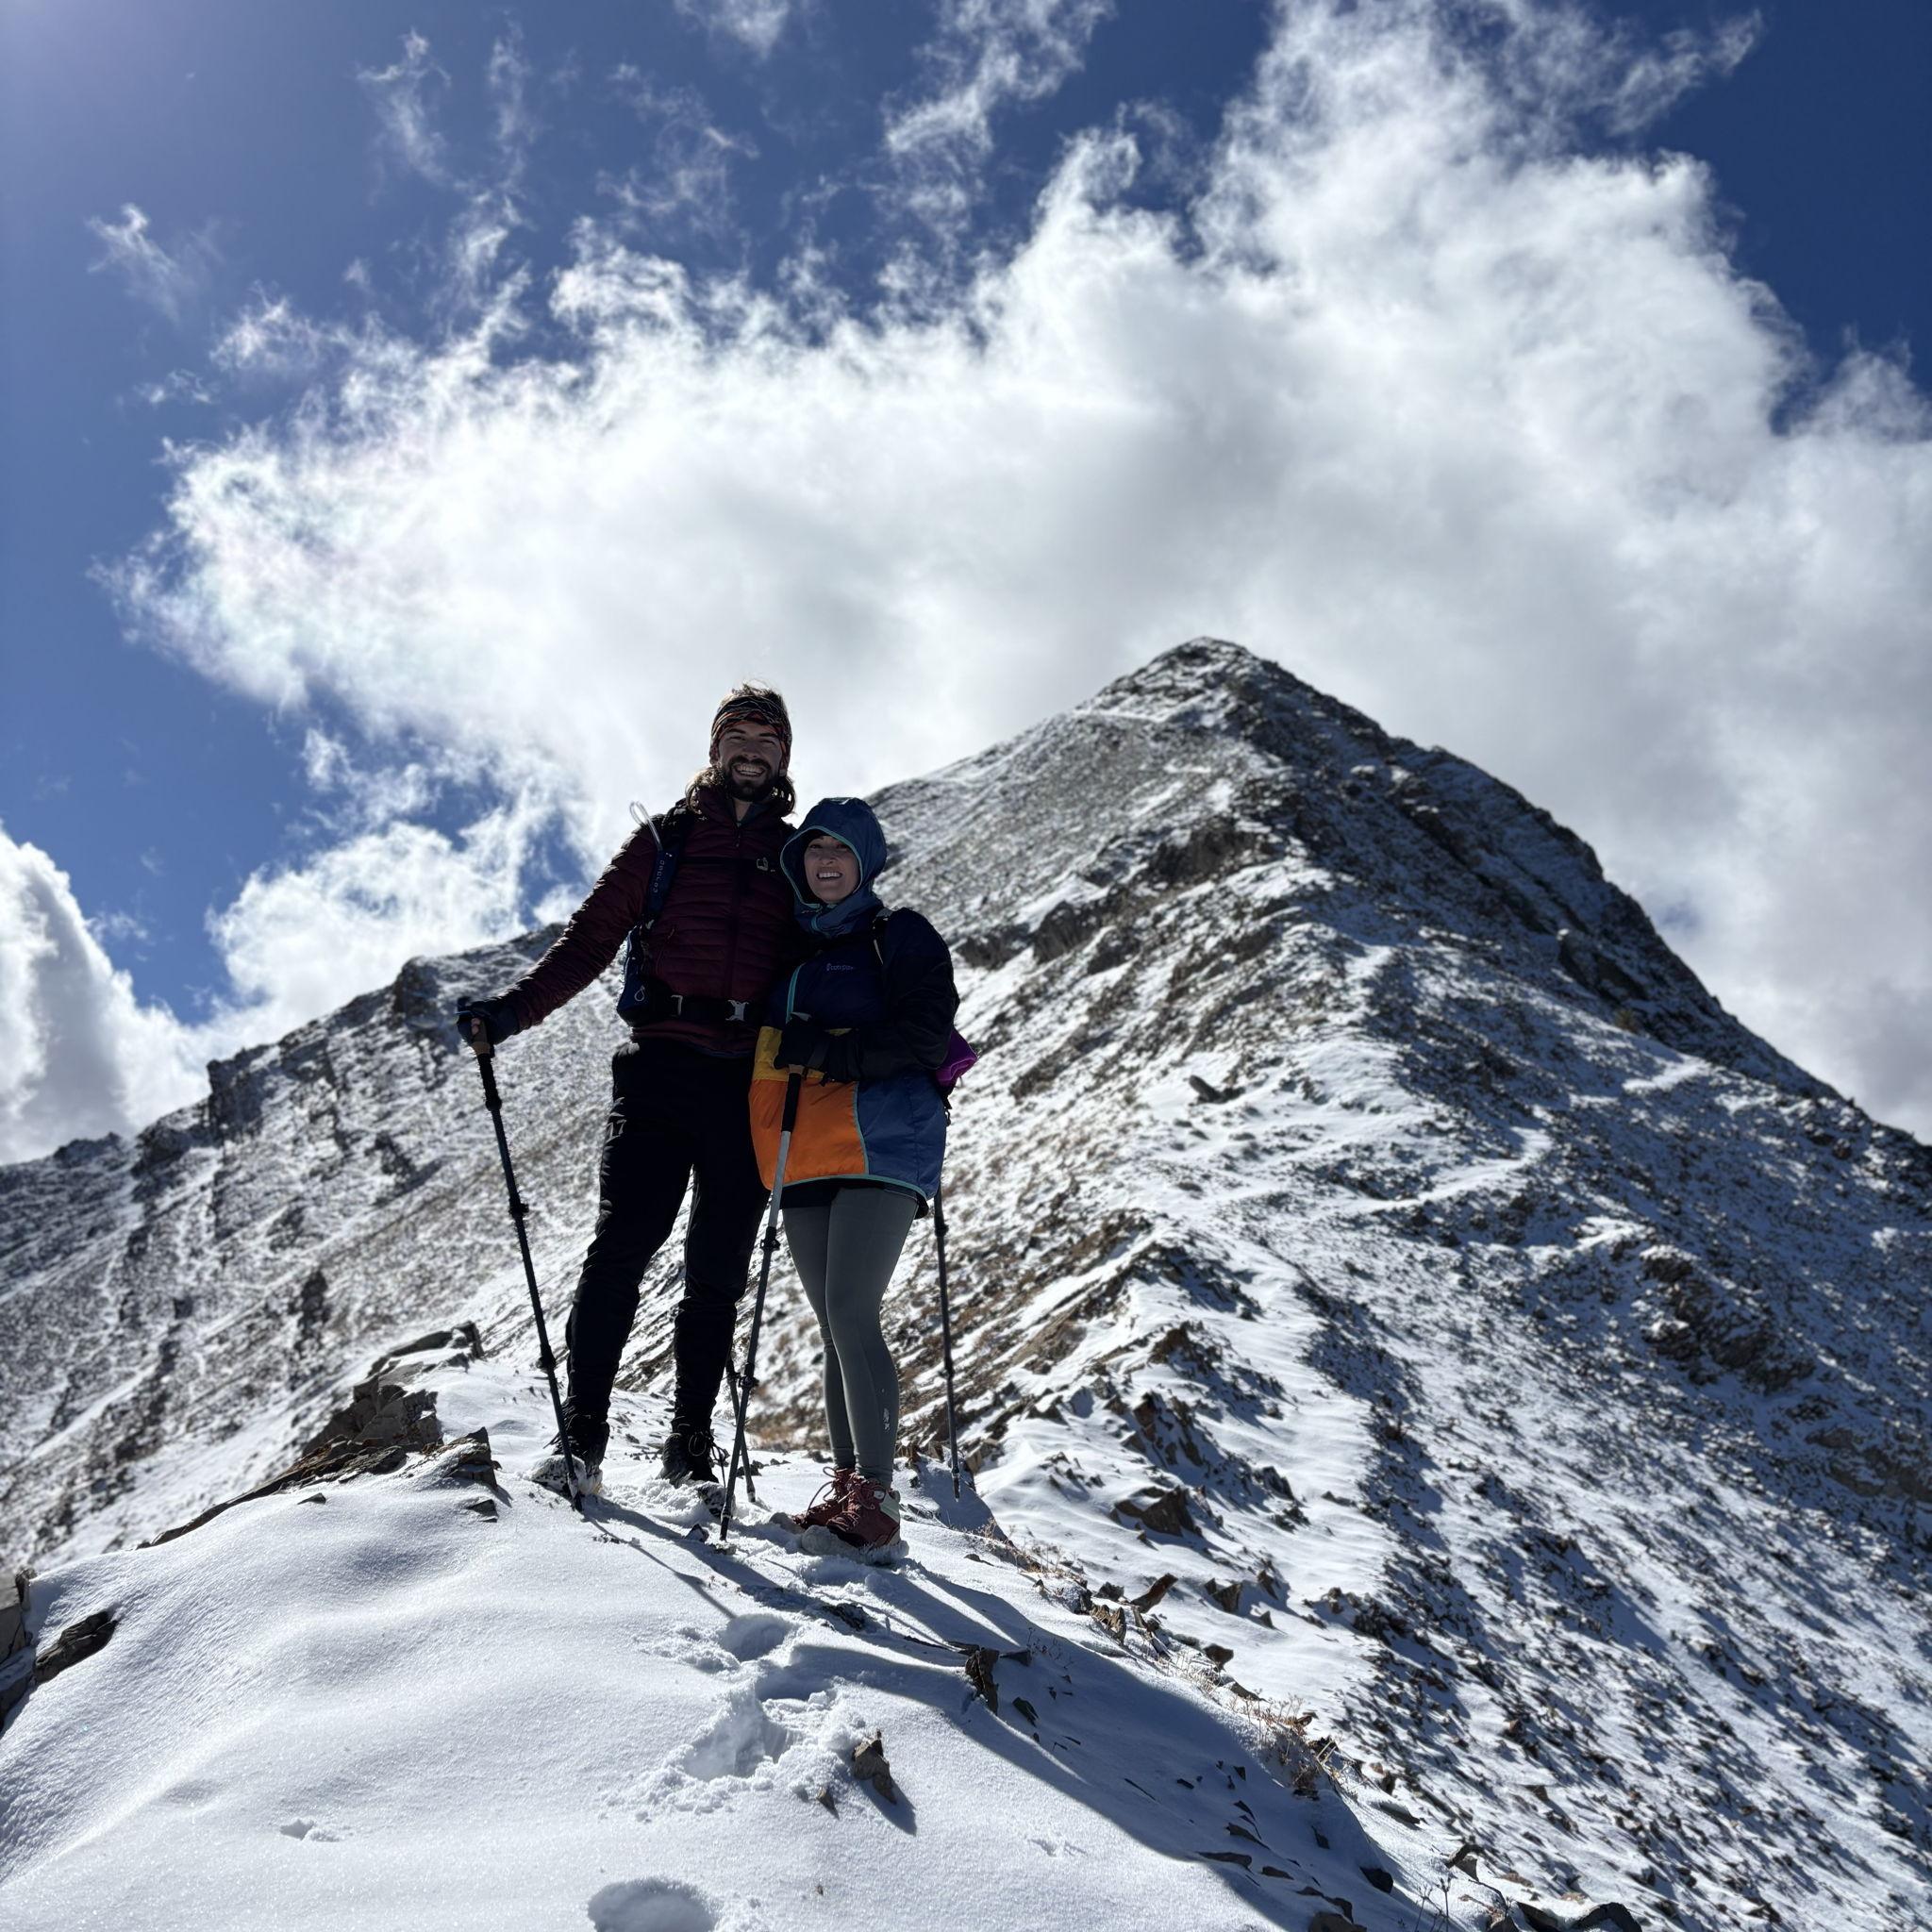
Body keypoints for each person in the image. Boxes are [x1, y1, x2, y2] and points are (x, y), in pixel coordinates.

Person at [455, 686, 801, 1496]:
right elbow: (588, 940)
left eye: (767, 739)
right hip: (661, 1069)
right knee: (621, 1250)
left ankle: (690, 1449)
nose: (751, 750)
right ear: (715, 748)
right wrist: (509, 1015)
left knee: (717, 1271)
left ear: (784, 756)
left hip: (749, 1085)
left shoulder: (795, 856)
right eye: (738, 735)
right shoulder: (663, 844)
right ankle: (582, 1435)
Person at [749, 796, 959, 1559]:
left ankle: (875, 1497)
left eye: (841, 850)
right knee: (834, 1327)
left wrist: (826, 1053)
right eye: (812, 850)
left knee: (849, 1308)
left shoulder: (899, 935)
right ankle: (847, 1489)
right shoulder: (793, 953)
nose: (826, 861)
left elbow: (922, 1034)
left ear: (866, 860)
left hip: (882, 1143)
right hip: (804, 1154)